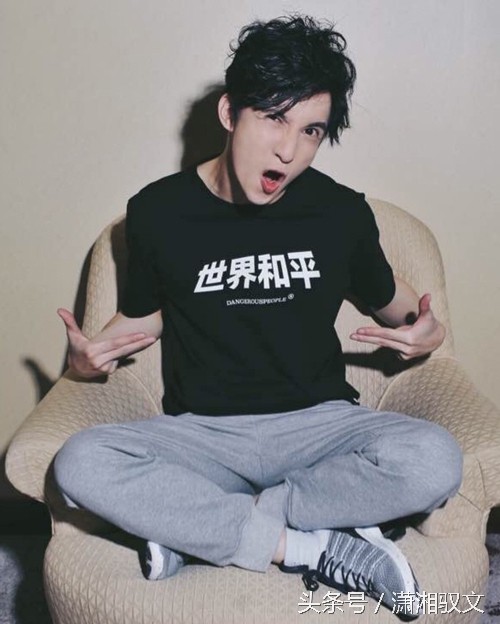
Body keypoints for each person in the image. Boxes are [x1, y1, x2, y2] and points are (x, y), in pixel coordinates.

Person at [53, 15, 462, 620]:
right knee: (79, 463)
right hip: (204, 435)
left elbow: (406, 311)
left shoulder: (339, 212)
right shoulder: (158, 212)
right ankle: (310, 546)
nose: (289, 150)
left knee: (435, 459)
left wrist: (430, 332)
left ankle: (199, 528)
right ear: (230, 113)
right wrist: (86, 360)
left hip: (319, 430)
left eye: (311, 130)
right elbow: (143, 316)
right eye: (274, 118)